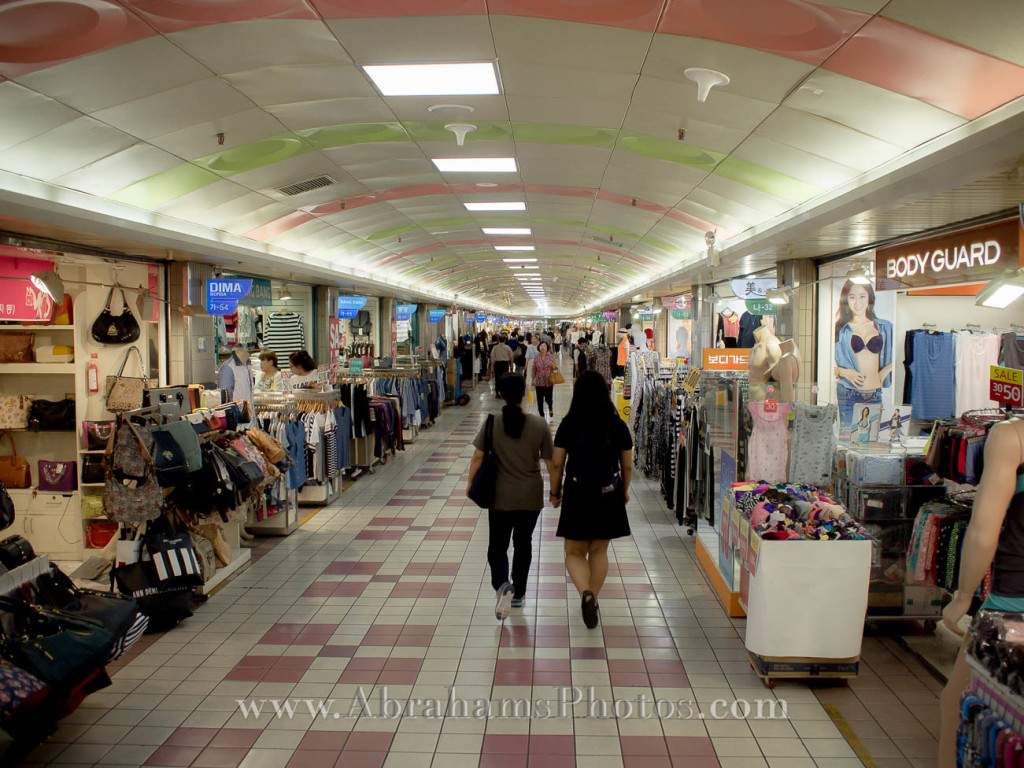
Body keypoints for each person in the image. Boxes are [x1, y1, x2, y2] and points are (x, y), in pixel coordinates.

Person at [939, 419, 1024, 768]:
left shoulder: (1013, 436)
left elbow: (982, 532)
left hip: (1012, 607)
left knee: (957, 702)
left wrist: (962, 596)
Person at [549, 371, 633, 628]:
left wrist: (555, 492)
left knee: (574, 552)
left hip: (577, 492)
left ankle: (586, 594)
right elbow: (627, 466)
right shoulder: (617, 423)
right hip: (608, 493)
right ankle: (592, 597)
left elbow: (556, 463)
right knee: (599, 550)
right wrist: (624, 490)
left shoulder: (570, 422)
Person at [467, 374, 553, 619]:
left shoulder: (492, 423)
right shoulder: (539, 425)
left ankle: (503, 584)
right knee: (523, 544)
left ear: (501, 394)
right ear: (525, 392)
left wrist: (470, 482)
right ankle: (519, 595)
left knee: (497, 545)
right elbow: (552, 463)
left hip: (499, 497)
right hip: (530, 497)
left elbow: (477, 458)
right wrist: (556, 490)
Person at [834, 280, 892, 439]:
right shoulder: (840, 329)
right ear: (846, 300)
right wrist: (845, 373)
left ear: (869, 298)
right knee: (846, 440)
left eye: (862, 296)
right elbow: (828, 365)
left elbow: (898, 355)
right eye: (852, 297)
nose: (857, 302)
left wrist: (884, 372)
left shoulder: (884, 327)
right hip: (848, 391)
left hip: (875, 392)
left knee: (872, 440)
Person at [532, 341, 558, 421]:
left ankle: (550, 407)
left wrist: (554, 366)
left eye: (544, 346)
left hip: (548, 382)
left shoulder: (551, 357)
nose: (542, 347)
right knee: (539, 400)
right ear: (539, 348)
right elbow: (534, 369)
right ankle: (542, 416)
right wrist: (533, 379)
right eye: (541, 346)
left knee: (548, 398)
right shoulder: (536, 358)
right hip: (539, 382)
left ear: (547, 348)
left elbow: (556, 369)